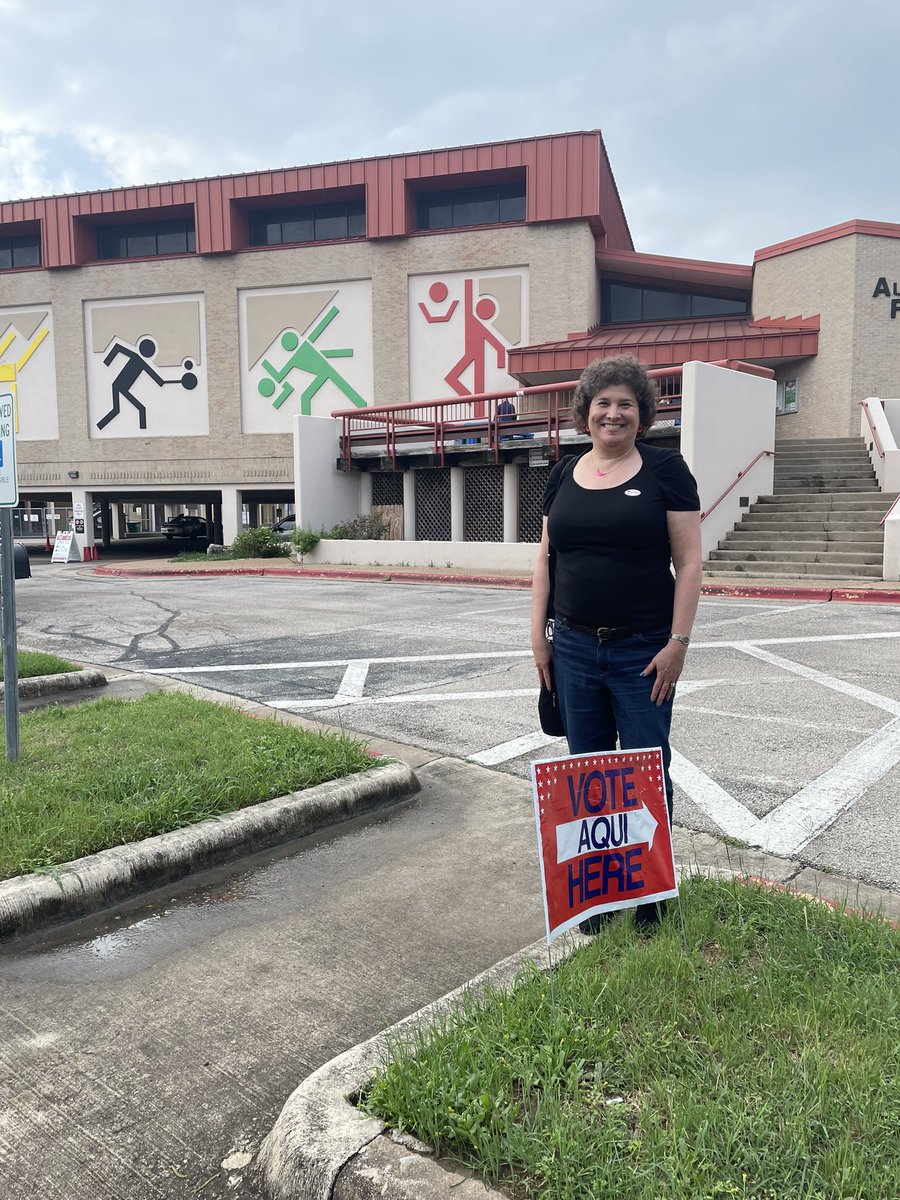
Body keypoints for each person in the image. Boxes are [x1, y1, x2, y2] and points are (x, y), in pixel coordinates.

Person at [530, 355, 702, 929]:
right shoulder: (563, 472)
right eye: (602, 402)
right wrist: (539, 638)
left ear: (642, 413)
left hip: (644, 650)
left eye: (625, 403)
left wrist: (678, 642)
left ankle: (651, 900)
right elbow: (546, 559)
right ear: (586, 413)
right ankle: (599, 896)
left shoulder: (666, 469)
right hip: (574, 649)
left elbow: (690, 561)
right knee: (587, 772)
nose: (613, 412)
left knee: (646, 770)